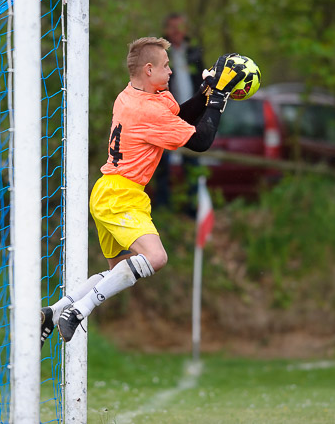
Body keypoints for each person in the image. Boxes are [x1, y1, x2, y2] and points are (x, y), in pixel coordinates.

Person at [40, 37, 250, 346]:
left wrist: (206, 92)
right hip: (119, 195)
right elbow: (201, 140)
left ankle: (54, 311)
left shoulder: (136, 95)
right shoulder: (147, 110)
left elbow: (179, 120)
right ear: (149, 69)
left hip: (112, 190)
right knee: (155, 257)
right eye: (166, 66)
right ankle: (79, 310)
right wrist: (219, 97)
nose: (171, 71)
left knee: (119, 271)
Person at [154, 13, 205, 213]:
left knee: (192, 161)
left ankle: (191, 209)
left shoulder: (193, 53)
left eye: (180, 27)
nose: (176, 31)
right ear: (166, 30)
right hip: (165, 116)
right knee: (162, 163)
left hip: (190, 117)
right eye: (172, 27)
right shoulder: (159, 54)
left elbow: (202, 83)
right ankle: (163, 208)